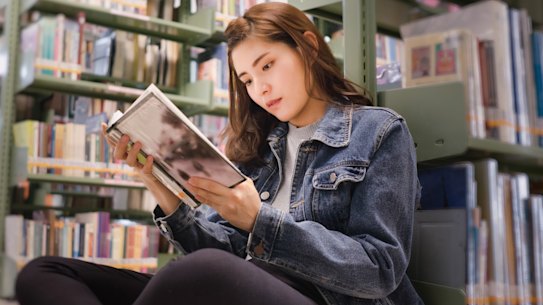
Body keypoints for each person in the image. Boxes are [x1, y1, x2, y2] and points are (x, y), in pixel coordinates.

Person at [15, 2, 423, 305]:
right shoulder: (258, 147)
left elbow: (380, 268)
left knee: (202, 273)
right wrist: (162, 188)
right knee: (45, 272)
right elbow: (217, 248)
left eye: (267, 65)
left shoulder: (379, 131)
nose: (259, 88)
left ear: (309, 48)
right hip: (242, 288)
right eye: (246, 78)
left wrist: (260, 221)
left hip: (328, 300)